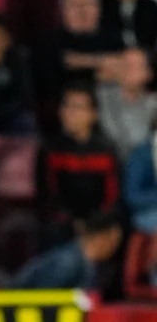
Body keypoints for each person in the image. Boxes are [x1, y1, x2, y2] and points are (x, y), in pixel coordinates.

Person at [39, 85, 120, 246]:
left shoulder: (105, 150)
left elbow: (112, 197)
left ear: (93, 115)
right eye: (66, 105)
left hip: (98, 222)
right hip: (63, 222)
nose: (70, 113)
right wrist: (73, 222)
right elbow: (47, 195)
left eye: (77, 107)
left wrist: (94, 222)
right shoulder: (50, 149)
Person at [12, 211, 122, 290]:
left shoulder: (87, 264)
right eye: (114, 241)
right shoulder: (68, 263)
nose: (115, 247)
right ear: (101, 237)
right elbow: (42, 299)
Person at [97, 47, 157, 163]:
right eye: (123, 63)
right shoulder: (100, 96)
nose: (126, 69)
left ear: (148, 74)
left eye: (134, 66)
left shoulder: (153, 104)